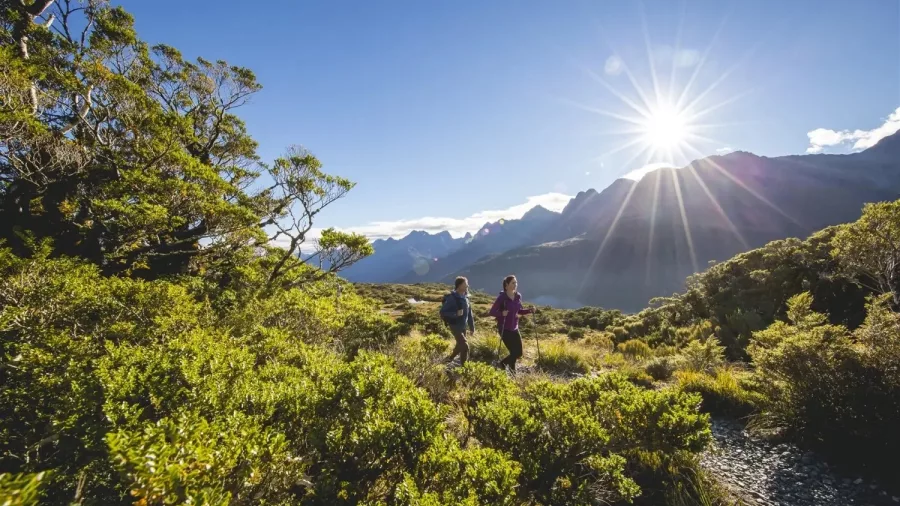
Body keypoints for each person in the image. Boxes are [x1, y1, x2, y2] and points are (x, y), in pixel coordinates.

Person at [489, 275, 535, 372]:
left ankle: (505, 365)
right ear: (506, 285)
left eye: (516, 282)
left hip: (514, 328)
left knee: (518, 353)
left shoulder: (518, 296)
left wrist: (529, 311)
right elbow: (492, 312)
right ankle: (509, 369)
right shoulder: (502, 298)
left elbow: (519, 311)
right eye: (513, 283)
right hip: (504, 328)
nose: (515, 285)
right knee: (514, 352)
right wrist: (501, 313)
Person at [440, 276, 475, 366]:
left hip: (463, 326)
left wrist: (472, 327)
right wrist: (455, 314)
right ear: (459, 286)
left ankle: (448, 360)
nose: (467, 285)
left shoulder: (466, 298)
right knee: (465, 346)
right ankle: (465, 368)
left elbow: (469, 314)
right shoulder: (452, 298)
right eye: (465, 284)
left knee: (460, 347)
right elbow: (443, 312)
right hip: (455, 326)